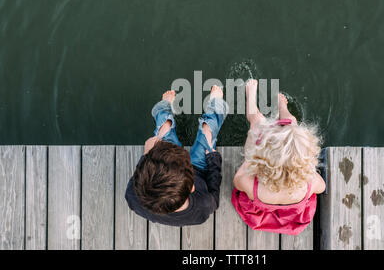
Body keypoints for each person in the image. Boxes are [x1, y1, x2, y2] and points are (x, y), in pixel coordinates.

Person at [232, 79, 325, 235]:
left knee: (256, 123)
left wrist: (250, 159)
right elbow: (321, 188)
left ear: (263, 160)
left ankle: (252, 101)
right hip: (289, 216)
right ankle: (283, 108)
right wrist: (306, 170)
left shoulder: (253, 186)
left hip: (260, 211)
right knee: (293, 123)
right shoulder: (308, 184)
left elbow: (237, 181)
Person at [125, 85, 228, 226]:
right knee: (207, 133)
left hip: (163, 159)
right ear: (192, 188)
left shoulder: (133, 196)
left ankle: (164, 110)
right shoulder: (203, 205)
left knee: (164, 129)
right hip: (199, 170)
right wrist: (214, 160)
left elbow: (140, 174)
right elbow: (214, 191)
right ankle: (215, 108)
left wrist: (147, 155)